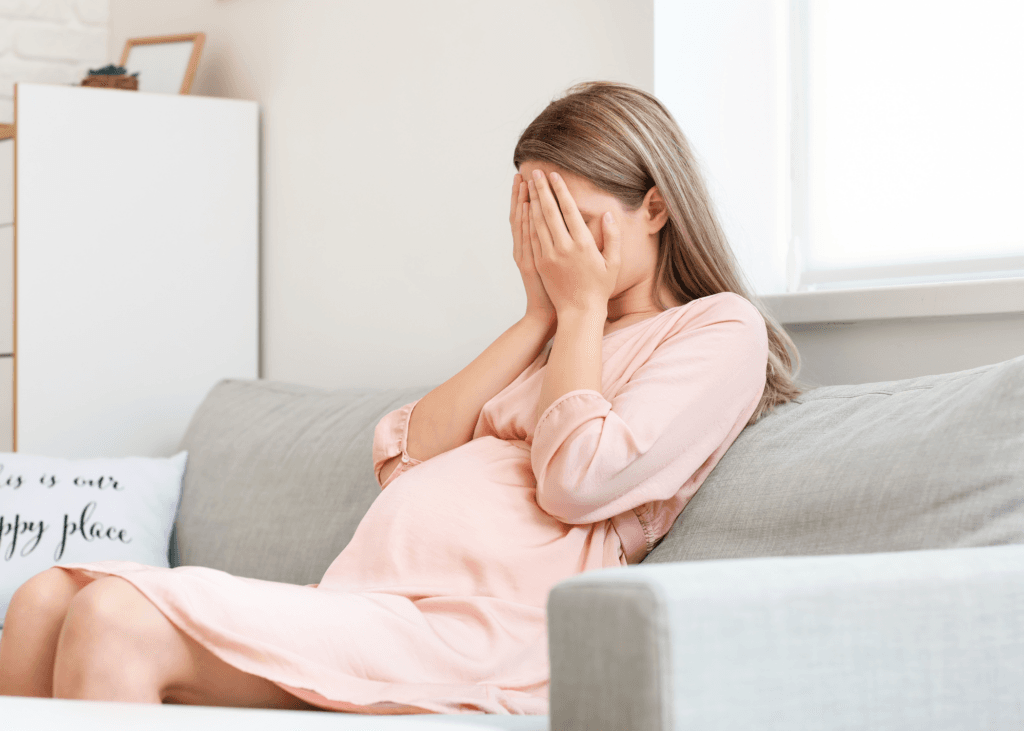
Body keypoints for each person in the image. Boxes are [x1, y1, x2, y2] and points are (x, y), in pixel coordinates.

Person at [0, 80, 805, 715]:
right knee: (42, 599)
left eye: (576, 224)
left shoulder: (717, 330)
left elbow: (580, 479)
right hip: (369, 603)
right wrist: (539, 313)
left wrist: (583, 308)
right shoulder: (558, 338)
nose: (559, 252)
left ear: (655, 207)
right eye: (538, 226)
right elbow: (409, 452)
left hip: (481, 630)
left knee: (116, 620)